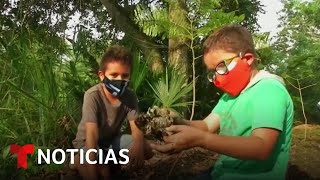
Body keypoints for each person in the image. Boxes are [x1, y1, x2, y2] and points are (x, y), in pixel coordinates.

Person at [151, 25, 294, 180]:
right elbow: (206, 126)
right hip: (221, 172)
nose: (217, 78)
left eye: (221, 66)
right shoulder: (231, 95)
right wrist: (178, 120)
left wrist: (201, 140)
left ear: (247, 58)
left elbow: (262, 147)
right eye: (213, 72)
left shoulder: (269, 90)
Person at [71, 45, 153, 180]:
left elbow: (135, 125)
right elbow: (91, 134)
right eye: (114, 75)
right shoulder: (92, 95)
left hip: (111, 142)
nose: (120, 80)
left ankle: (108, 162)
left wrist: (138, 147)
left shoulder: (129, 96)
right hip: (87, 143)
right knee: (103, 174)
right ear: (102, 76)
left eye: (125, 75)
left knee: (146, 150)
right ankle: (77, 161)